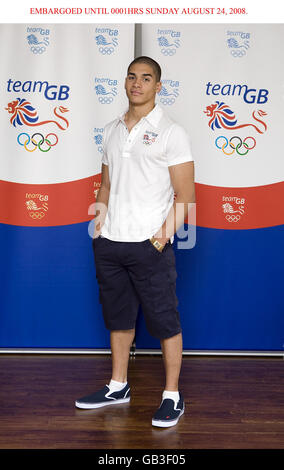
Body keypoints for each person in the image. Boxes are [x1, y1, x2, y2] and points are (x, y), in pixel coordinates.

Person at [75, 56, 195, 428]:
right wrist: (100, 223)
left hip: (149, 245)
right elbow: (107, 185)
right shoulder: (111, 129)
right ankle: (117, 386)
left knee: (164, 321)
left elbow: (185, 196)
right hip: (111, 243)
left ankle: (172, 395)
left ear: (158, 86)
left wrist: (159, 239)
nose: (137, 83)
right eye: (131, 77)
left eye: (146, 78)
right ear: (125, 82)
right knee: (118, 318)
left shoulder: (172, 132)